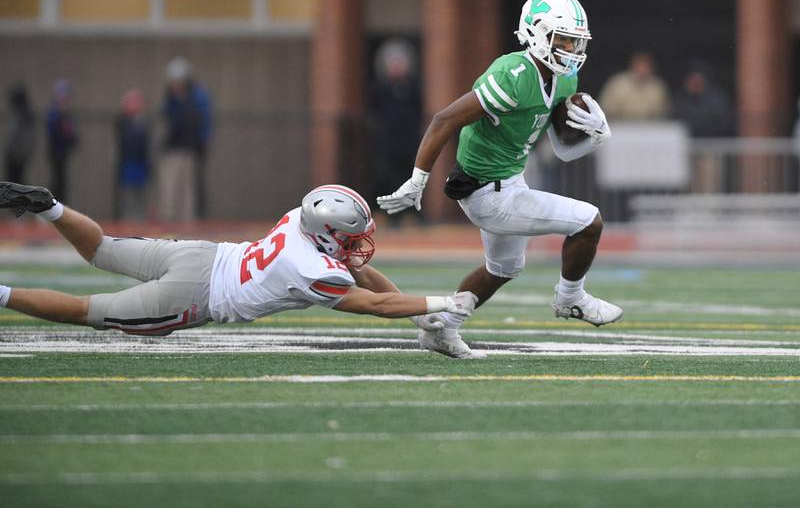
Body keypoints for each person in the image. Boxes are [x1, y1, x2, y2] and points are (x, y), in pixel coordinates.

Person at [378, 0, 622, 359]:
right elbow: (444, 119)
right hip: (487, 192)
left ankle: (443, 329)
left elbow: (562, 150)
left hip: (508, 182)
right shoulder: (512, 74)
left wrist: (599, 136)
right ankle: (570, 299)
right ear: (537, 33)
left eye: (576, 40)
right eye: (564, 39)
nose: (571, 48)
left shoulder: (564, 79)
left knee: (503, 268)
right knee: (589, 221)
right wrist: (418, 179)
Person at [0, 181, 476, 337]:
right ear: (329, 231)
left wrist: (421, 317)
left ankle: (52, 207)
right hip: (197, 293)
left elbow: (358, 271)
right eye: (352, 235)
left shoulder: (297, 221)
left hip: (199, 255)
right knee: (89, 312)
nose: (360, 244)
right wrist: (440, 301)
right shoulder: (310, 268)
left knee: (102, 249)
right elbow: (372, 303)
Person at [370, 38, 423, 226]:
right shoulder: (382, 89)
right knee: (383, 177)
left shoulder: (413, 88)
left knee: (408, 178)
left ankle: (409, 215)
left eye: (400, 64)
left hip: (408, 141)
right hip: (387, 142)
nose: (397, 68)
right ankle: (382, 214)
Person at [159, 56, 212, 222]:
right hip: (172, 149)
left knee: (188, 188)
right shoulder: (170, 99)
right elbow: (166, 120)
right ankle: (168, 218)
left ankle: (187, 221)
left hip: (189, 149)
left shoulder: (197, 98)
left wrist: (202, 143)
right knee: (169, 187)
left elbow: (204, 122)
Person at [672, 61, 735, 193]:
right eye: (691, 79)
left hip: (710, 150)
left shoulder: (716, 99)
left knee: (710, 186)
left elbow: (724, 123)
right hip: (687, 150)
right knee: (689, 186)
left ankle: (710, 212)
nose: (694, 83)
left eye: (697, 79)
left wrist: (703, 132)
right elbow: (676, 122)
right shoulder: (681, 100)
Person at [598, 52, 671, 121]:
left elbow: (665, 112)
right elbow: (605, 109)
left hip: (650, 129)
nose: (643, 69)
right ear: (633, 65)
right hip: (620, 128)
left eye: (646, 66)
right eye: (640, 65)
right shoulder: (617, 84)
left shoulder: (658, 87)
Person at [114, 88, 151, 221]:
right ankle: (127, 221)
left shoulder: (143, 122)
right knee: (128, 195)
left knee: (141, 195)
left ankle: (140, 221)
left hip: (141, 164)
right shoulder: (123, 122)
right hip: (128, 163)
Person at [46, 79, 79, 204]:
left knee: (62, 181)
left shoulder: (65, 115)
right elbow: (54, 132)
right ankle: (50, 207)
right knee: (57, 181)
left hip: (63, 153)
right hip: (55, 152)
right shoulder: (55, 113)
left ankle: (59, 207)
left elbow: (71, 136)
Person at [4, 83, 36, 186]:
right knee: (12, 183)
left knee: (16, 184)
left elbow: (26, 138)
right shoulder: (17, 113)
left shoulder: (25, 115)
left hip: (18, 156)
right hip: (13, 155)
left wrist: (21, 154)